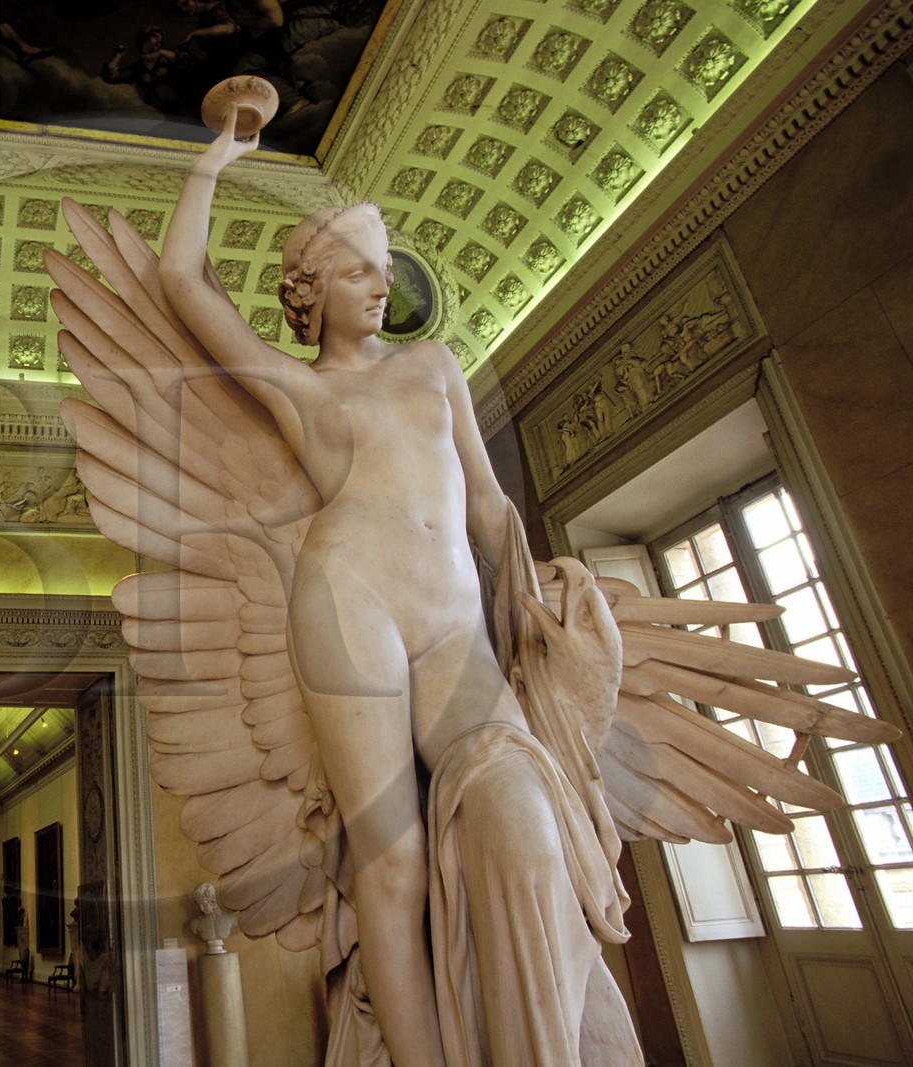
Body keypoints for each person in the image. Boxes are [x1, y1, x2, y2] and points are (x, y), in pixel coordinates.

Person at [155, 109, 633, 1066]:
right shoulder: (301, 391)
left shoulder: (432, 366)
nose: (382, 284)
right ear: (311, 290)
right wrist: (220, 158)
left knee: (521, 822)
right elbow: (181, 279)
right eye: (358, 269)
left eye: (383, 266)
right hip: (347, 604)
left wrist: (546, 594)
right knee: (395, 858)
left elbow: (490, 505)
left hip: (457, 620)